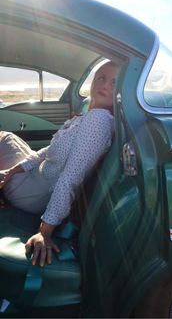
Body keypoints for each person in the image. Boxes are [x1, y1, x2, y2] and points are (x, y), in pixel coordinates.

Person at [0, 61, 119, 267]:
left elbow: (71, 178)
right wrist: (10, 171)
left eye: (114, 82)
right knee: (7, 137)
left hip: (30, 192)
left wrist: (44, 232)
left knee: (4, 137)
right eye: (100, 77)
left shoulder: (98, 121)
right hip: (32, 176)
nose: (105, 84)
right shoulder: (90, 115)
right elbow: (48, 151)